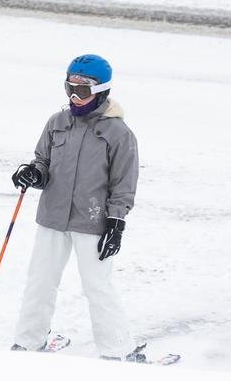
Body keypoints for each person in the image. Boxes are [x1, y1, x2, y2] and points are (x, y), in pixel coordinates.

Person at [11, 54, 142, 361]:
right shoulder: (57, 123)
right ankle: (28, 341)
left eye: (81, 91)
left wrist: (116, 223)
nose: (74, 97)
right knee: (40, 281)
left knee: (97, 286)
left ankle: (117, 349)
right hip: (52, 217)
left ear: (101, 91)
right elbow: (43, 161)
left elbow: (124, 184)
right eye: (69, 88)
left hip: (93, 221)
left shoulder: (119, 134)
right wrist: (32, 172)